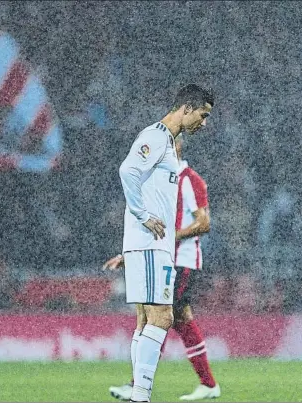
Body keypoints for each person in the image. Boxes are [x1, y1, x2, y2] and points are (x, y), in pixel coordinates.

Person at [116, 84, 214, 402]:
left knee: (150, 318)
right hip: (150, 243)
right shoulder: (156, 136)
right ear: (186, 108)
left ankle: (138, 392)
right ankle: (140, 394)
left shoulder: (168, 145)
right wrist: (143, 216)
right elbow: (127, 171)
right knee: (160, 317)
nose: (204, 122)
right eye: (203, 114)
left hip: (150, 244)